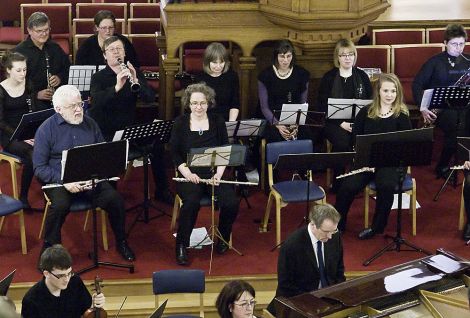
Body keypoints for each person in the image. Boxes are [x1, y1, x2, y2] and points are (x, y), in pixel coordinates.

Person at [32, 84, 135, 262]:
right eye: (73, 106)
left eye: (80, 104)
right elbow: (39, 167)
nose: (79, 109)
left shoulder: (90, 123)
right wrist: (64, 181)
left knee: (115, 200)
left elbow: (103, 152)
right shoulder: (45, 130)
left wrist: (98, 175)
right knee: (59, 206)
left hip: (90, 178)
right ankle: (50, 250)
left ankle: (121, 241)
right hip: (61, 180)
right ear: (58, 109)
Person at [89, 36, 173, 204]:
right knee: (110, 155)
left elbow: (149, 98)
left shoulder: (133, 71)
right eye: (111, 50)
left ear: (124, 52)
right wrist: (117, 87)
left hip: (129, 129)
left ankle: (162, 191)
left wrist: (136, 80)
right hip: (107, 132)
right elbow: (96, 105)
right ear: (105, 56)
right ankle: (110, 197)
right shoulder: (99, 77)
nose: (116, 53)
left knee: (157, 143)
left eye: (119, 49)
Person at [334, 73, 412, 239]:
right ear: (378, 92)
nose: (389, 95)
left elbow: (406, 146)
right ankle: (338, 224)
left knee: (386, 186)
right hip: (366, 162)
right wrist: (363, 159)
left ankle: (377, 227)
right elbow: (356, 140)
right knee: (347, 187)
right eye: (386, 91)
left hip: (391, 164)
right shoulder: (366, 112)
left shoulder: (402, 116)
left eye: (393, 91)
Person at [169, 83, 239, 265]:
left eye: (202, 103)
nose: (198, 107)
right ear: (188, 104)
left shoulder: (217, 121)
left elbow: (225, 149)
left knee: (231, 202)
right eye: (194, 103)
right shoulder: (180, 123)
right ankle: (182, 245)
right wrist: (187, 173)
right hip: (189, 176)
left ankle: (223, 237)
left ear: (208, 103)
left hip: (213, 175)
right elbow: (175, 153)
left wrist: (218, 175)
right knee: (191, 203)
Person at [413, 24, 470, 179]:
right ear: (445, 43)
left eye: (462, 44)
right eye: (454, 44)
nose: (458, 48)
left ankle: (467, 162)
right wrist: (423, 107)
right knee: (455, 127)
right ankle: (443, 165)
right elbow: (417, 84)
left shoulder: (468, 61)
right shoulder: (434, 62)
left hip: (464, 105)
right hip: (441, 108)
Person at [267, 203, 345, 316]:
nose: (330, 237)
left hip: (328, 299)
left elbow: (339, 270)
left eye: (333, 230)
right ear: (313, 224)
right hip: (298, 303)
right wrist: (314, 303)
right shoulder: (292, 246)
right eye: (326, 232)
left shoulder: (334, 237)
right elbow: (286, 285)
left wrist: (338, 294)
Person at [317, 39, 373, 190]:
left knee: (363, 140)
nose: (347, 58)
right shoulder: (329, 77)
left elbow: (370, 102)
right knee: (341, 142)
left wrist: (358, 123)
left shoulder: (362, 76)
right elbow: (322, 105)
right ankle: (339, 182)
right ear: (338, 58)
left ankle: (357, 181)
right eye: (343, 55)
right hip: (334, 123)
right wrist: (341, 123)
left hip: (358, 122)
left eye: (350, 54)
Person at [21, 244, 105, 318]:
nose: (67, 279)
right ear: (46, 273)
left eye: (69, 273)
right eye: (61, 275)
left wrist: (94, 305)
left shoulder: (75, 281)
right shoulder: (31, 300)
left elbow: (86, 311)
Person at [0, 51, 37, 208]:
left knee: (52, 144)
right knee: (32, 154)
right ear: (8, 70)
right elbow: (0, 121)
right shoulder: (1, 90)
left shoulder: (28, 83)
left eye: (25, 69)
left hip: (27, 131)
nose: (23, 73)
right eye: (19, 70)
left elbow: (33, 112)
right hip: (9, 135)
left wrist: (34, 133)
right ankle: (23, 196)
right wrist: (21, 136)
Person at [258, 39, 313, 143]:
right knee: (274, 137)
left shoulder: (302, 74)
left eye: (288, 56)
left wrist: (296, 124)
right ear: (276, 56)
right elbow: (264, 107)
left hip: (295, 118)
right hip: (272, 118)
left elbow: (303, 103)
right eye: (282, 56)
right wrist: (277, 124)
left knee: (306, 135)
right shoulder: (265, 75)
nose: (285, 60)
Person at [14, 12, 70, 110]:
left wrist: (59, 78)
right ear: (29, 30)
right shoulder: (18, 53)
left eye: (46, 30)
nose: (44, 34)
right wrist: (36, 95)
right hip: (30, 103)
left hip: (57, 99)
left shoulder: (55, 48)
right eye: (39, 31)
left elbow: (68, 69)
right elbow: (13, 84)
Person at [197, 42, 239, 121]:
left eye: (221, 62)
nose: (218, 66)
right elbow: (197, 107)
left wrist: (230, 124)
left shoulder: (232, 76)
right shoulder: (200, 78)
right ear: (207, 62)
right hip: (205, 120)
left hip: (226, 119)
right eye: (215, 63)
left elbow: (235, 104)